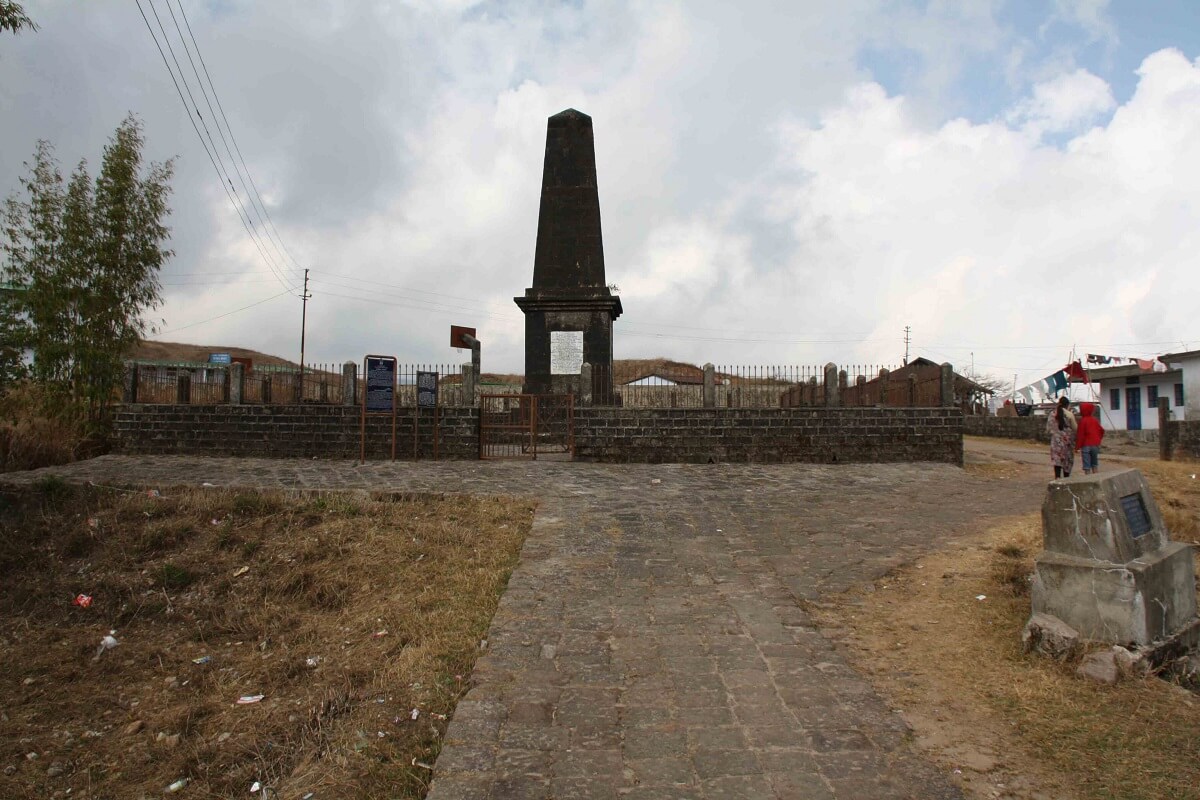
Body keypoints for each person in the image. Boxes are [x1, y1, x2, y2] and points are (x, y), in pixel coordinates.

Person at [1046, 396, 1077, 478]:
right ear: (1067, 405)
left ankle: (1057, 478)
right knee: (1067, 460)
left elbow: (1048, 428)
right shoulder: (1069, 414)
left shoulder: (1052, 414)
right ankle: (1066, 479)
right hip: (1067, 442)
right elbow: (1075, 428)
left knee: (1057, 460)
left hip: (1055, 442)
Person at [1075, 401, 1104, 474]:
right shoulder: (1095, 420)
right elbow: (1101, 430)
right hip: (1095, 445)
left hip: (1086, 445)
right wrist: (1098, 440)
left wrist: (1077, 447)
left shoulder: (1082, 421)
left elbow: (1080, 435)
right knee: (1094, 464)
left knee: (1087, 466)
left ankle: (1088, 478)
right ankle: (1096, 478)